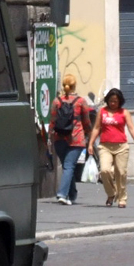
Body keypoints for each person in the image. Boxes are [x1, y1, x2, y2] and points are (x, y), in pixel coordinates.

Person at [87, 87, 134, 208]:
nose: (113, 103)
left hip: (121, 146)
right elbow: (96, 128)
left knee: (121, 172)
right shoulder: (102, 112)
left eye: (116, 101)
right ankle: (111, 193)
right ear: (107, 100)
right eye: (111, 101)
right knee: (105, 170)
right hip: (105, 146)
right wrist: (91, 143)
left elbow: (131, 128)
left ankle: (122, 198)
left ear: (120, 101)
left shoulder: (124, 112)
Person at [49, 74, 92, 205]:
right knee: (69, 166)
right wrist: (89, 134)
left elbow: (52, 122)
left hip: (59, 139)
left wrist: (51, 139)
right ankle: (62, 194)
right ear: (75, 85)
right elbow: (86, 122)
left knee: (68, 166)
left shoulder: (56, 101)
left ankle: (72, 194)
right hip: (76, 139)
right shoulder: (81, 101)